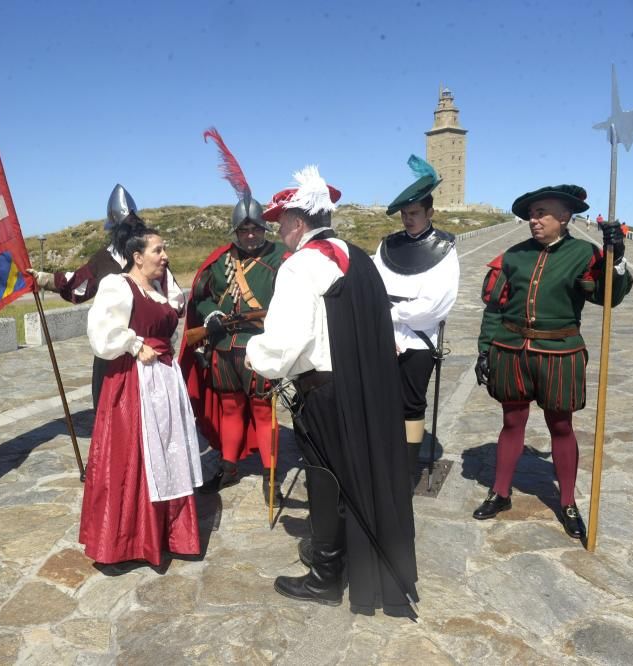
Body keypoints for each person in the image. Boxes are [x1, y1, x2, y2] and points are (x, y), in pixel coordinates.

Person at [245, 166, 419, 617]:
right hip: (364, 387)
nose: (278, 230)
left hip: (323, 391)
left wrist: (254, 356)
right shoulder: (355, 255)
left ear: (299, 222)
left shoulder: (301, 265)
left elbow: (287, 342)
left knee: (326, 481)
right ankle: (350, 558)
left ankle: (325, 576)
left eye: (281, 221)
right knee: (355, 476)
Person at [473, 185, 633, 539]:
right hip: (511, 351)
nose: (534, 219)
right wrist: (485, 350)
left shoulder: (583, 254)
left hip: (560, 355)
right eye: (531, 213)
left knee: (561, 427)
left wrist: (616, 256)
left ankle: (567, 501)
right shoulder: (514, 256)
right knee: (511, 422)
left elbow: (611, 297)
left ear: (564, 217)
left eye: (542, 212)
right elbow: (495, 307)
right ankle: (500, 492)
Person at [79, 224, 203, 568]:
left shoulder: (160, 285)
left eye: (164, 249)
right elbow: (101, 332)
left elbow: (174, 308)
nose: (165, 256)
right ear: (137, 257)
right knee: (133, 458)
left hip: (163, 378)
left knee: (166, 452)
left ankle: (168, 533)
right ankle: (127, 540)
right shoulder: (119, 286)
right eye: (157, 250)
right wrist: (134, 344)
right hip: (133, 385)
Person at [31, 185, 184, 409]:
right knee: (111, 408)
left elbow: (174, 301)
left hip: (151, 351)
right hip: (114, 349)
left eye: (134, 225)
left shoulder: (152, 259)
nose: (131, 230)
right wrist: (43, 279)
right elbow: (77, 283)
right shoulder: (103, 260)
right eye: (126, 226)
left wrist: (160, 334)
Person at [181, 197, 288, 504]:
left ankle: (271, 477)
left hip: (260, 347)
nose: (250, 235)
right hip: (223, 348)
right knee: (229, 408)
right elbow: (201, 297)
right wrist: (212, 314)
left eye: (255, 229)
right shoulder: (221, 261)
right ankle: (228, 467)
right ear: (236, 232)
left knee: (262, 412)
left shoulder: (282, 258)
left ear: (264, 228)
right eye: (244, 230)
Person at [374, 155, 459, 483]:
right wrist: (386, 327)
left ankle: (407, 468)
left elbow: (436, 303)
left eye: (414, 214)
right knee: (382, 400)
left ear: (430, 213)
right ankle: (385, 461)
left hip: (420, 340)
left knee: (411, 402)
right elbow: (376, 287)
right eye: (404, 214)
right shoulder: (387, 246)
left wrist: (394, 312)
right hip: (386, 337)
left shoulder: (445, 248)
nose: (408, 220)